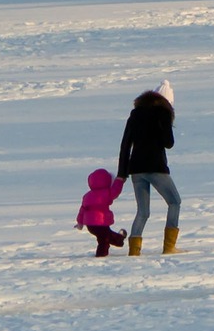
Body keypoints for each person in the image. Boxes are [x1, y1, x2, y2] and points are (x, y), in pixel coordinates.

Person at [117, 80, 183, 255]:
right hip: (156, 168)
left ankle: (134, 251)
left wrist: (121, 173)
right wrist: (164, 124)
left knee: (143, 211)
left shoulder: (135, 114)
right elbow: (169, 143)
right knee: (174, 202)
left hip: (136, 170)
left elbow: (125, 145)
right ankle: (169, 246)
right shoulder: (163, 113)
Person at [75, 168, 127, 257]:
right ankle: (101, 254)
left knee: (106, 235)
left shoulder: (87, 195)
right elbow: (116, 190)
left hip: (90, 225)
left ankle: (119, 239)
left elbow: (82, 209)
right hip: (101, 222)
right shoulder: (107, 193)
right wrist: (119, 180)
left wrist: (80, 223)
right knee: (104, 239)